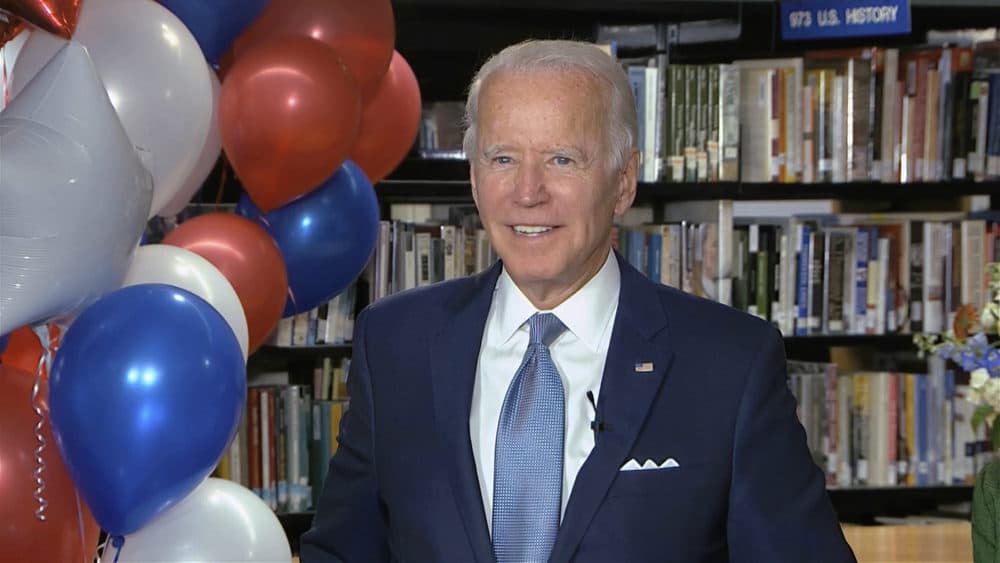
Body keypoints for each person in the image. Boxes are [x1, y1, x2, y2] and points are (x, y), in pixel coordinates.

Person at [300, 39, 856, 562]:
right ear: (473, 179)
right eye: (502, 160)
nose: (528, 191)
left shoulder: (729, 363)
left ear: (623, 182)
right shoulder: (395, 344)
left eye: (562, 159)